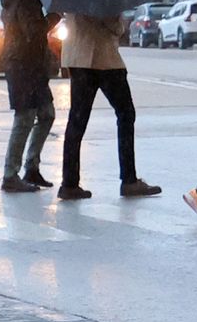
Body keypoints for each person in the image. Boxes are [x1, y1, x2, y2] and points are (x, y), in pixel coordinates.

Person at [59, 11, 160, 200]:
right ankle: (129, 180)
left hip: (78, 58)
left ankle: (69, 183)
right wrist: (120, 22)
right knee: (126, 114)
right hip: (104, 60)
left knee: (77, 121)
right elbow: (113, 25)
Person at [0, 0, 59, 193]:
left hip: (31, 66)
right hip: (22, 65)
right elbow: (34, 31)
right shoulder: (25, 1)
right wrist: (53, 18)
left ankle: (31, 166)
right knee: (24, 117)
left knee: (46, 114)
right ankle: (10, 174)